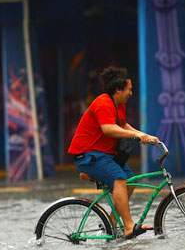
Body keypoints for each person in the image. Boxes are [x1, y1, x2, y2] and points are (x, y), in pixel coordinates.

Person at [68, 66, 160, 239]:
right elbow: (109, 129)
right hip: (88, 154)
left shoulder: (119, 104)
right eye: (129, 89)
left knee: (130, 182)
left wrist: (144, 135)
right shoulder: (103, 103)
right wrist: (136, 135)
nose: (131, 93)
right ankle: (129, 226)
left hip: (104, 155)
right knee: (120, 179)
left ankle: (111, 222)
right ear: (118, 89)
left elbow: (123, 125)